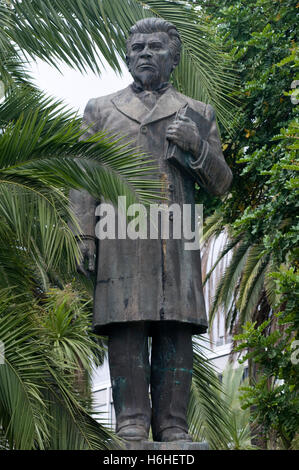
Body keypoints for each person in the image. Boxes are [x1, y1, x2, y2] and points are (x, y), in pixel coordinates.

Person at [69, 18, 232, 442]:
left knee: (175, 328)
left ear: (173, 58)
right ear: (127, 56)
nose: (144, 53)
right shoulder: (101, 109)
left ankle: (173, 424)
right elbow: (84, 175)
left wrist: (197, 146)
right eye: (137, 46)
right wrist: (84, 233)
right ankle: (131, 421)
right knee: (127, 325)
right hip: (119, 233)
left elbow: (221, 183)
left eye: (155, 47)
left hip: (177, 237)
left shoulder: (197, 112)